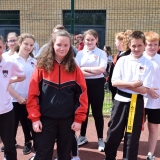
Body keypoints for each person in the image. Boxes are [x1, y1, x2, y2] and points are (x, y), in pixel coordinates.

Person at [26, 30, 88, 160]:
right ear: (53, 44)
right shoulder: (41, 67)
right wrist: (35, 118)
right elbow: (33, 94)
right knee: (42, 155)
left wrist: (78, 119)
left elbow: (82, 95)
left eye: (66, 45)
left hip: (68, 120)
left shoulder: (75, 69)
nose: (62, 48)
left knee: (65, 156)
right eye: (59, 44)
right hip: (45, 119)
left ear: (70, 46)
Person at [103, 31, 153, 160]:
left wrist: (127, 85)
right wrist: (134, 84)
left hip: (136, 102)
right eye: (134, 46)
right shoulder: (122, 60)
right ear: (129, 45)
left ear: (144, 45)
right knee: (114, 131)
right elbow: (114, 82)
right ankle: (109, 157)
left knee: (132, 134)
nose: (136, 49)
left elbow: (144, 90)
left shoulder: (148, 63)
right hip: (120, 100)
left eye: (139, 46)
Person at [76, 29, 108, 151]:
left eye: (92, 40)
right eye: (87, 40)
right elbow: (77, 71)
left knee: (97, 113)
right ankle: (82, 136)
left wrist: (85, 70)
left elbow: (102, 69)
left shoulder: (101, 53)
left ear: (96, 40)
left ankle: (100, 139)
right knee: (83, 111)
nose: (90, 42)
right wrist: (93, 70)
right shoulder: (79, 54)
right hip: (83, 85)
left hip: (97, 85)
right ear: (84, 40)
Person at [7, 33, 36, 155]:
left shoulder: (34, 61)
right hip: (13, 99)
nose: (28, 47)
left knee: (28, 124)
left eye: (31, 45)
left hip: (30, 99)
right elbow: (4, 82)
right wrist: (18, 97)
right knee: (12, 127)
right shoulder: (9, 60)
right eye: (26, 44)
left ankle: (28, 142)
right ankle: (10, 147)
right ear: (19, 43)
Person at [0, 35, 26, 160]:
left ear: (4, 46)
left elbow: (22, 76)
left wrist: (8, 81)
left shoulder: (9, 63)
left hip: (6, 111)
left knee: (9, 145)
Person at [143, 31, 160, 160]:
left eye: (155, 44)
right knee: (135, 127)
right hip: (139, 99)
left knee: (153, 128)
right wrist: (147, 89)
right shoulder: (139, 58)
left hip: (156, 100)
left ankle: (150, 153)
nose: (152, 47)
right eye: (149, 44)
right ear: (144, 44)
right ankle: (130, 152)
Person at [108, 30, 132, 101]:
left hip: (122, 89)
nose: (115, 43)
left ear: (122, 42)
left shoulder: (127, 55)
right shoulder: (119, 54)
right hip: (115, 88)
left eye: (116, 41)